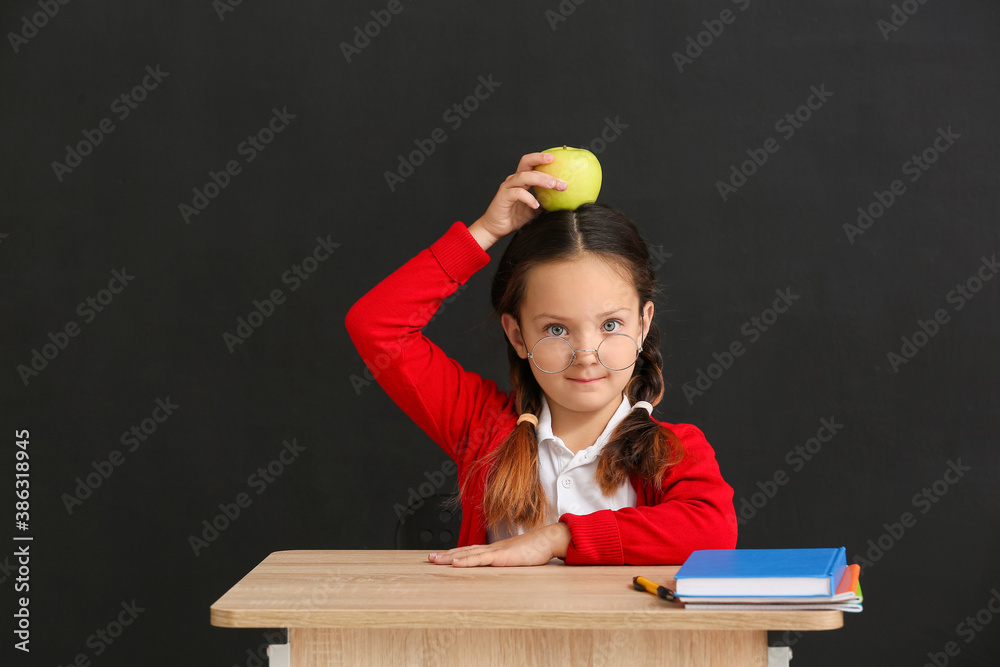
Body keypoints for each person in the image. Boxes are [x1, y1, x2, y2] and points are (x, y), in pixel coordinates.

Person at [345, 152, 737, 567]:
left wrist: (557, 538)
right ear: (517, 335)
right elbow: (376, 325)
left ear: (642, 325)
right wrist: (484, 231)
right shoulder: (481, 427)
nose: (586, 356)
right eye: (556, 329)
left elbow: (712, 530)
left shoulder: (675, 451)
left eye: (610, 325)